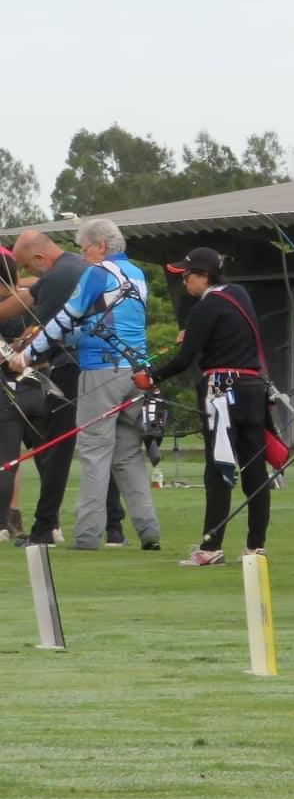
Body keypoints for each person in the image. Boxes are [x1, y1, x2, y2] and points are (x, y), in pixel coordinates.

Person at [2, 218, 161, 550]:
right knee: (128, 455)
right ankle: (148, 531)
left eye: (85, 249)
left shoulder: (96, 273)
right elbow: (98, 325)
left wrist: (27, 355)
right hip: (138, 373)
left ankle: (87, 536)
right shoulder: (136, 274)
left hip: (100, 371)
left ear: (100, 246)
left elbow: (64, 319)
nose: (83, 256)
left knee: (94, 452)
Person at [141, 247, 273, 565]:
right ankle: (256, 546)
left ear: (204, 275)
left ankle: (211, 547)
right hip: (253, 388)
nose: (185, 282)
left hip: (222, 390)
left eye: (188, 276)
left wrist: (151, 376)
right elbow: (228, 333)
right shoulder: (239, 294)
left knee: (218, 469)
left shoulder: (205, 307)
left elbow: (187, 359)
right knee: (254, 467)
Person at [2, 229, 91, 551]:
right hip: (63, 375)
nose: (30, 273)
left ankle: (44, 526)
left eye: (30, 265)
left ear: (40, 258)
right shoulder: (67, 269)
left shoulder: (59, 277)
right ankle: (111, 526)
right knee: (98, 451)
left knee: (54, 449)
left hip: (65, 371)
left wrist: (21, 354)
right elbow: (27, 294)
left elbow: (44, 328)